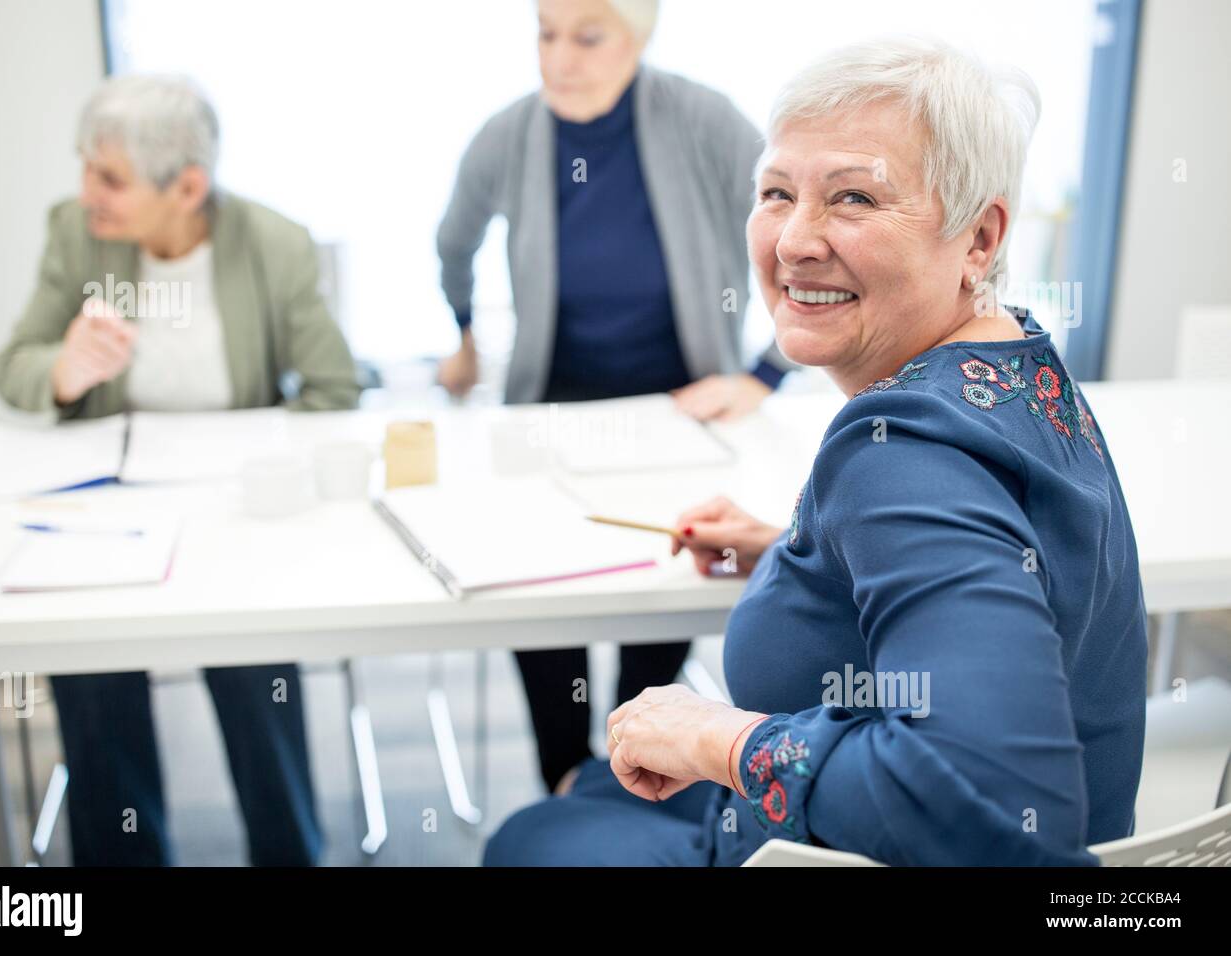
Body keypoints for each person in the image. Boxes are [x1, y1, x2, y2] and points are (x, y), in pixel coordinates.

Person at [484, 36, 1147, 866]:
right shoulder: (1021, 364)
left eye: (855, 199)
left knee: (538, 830)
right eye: (776, 192)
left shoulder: (899, 454)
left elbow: (1004, 806)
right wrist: (802, 554)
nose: (794, 240)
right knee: (593, 789)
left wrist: (720, 741)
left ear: (979, 239)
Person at [0, 74, 361, 865]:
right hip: (106, 512)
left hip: (237, 514)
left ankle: (290, 853)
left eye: (111, 178)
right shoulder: (76, 233)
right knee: (91, 680)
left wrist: (255, 463)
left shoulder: (273, 243)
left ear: (188, 187)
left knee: (257, 671)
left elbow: (334, 393)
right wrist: (65, 368)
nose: (88, 192)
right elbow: (13, 368)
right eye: (86, 167)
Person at [435, 0, 792, 795]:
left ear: (639, 38)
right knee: (540, 592)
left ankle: (638, 774)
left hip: (675, 400)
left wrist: (766, 371)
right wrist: (464, 335)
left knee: (658, 582)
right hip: (552, 403)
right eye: (545, 33)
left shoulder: (700, 117)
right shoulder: (510, 134)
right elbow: (453, 239)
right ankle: (565, 779)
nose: (560, 57)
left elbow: (794, 223)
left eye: (588, 37)